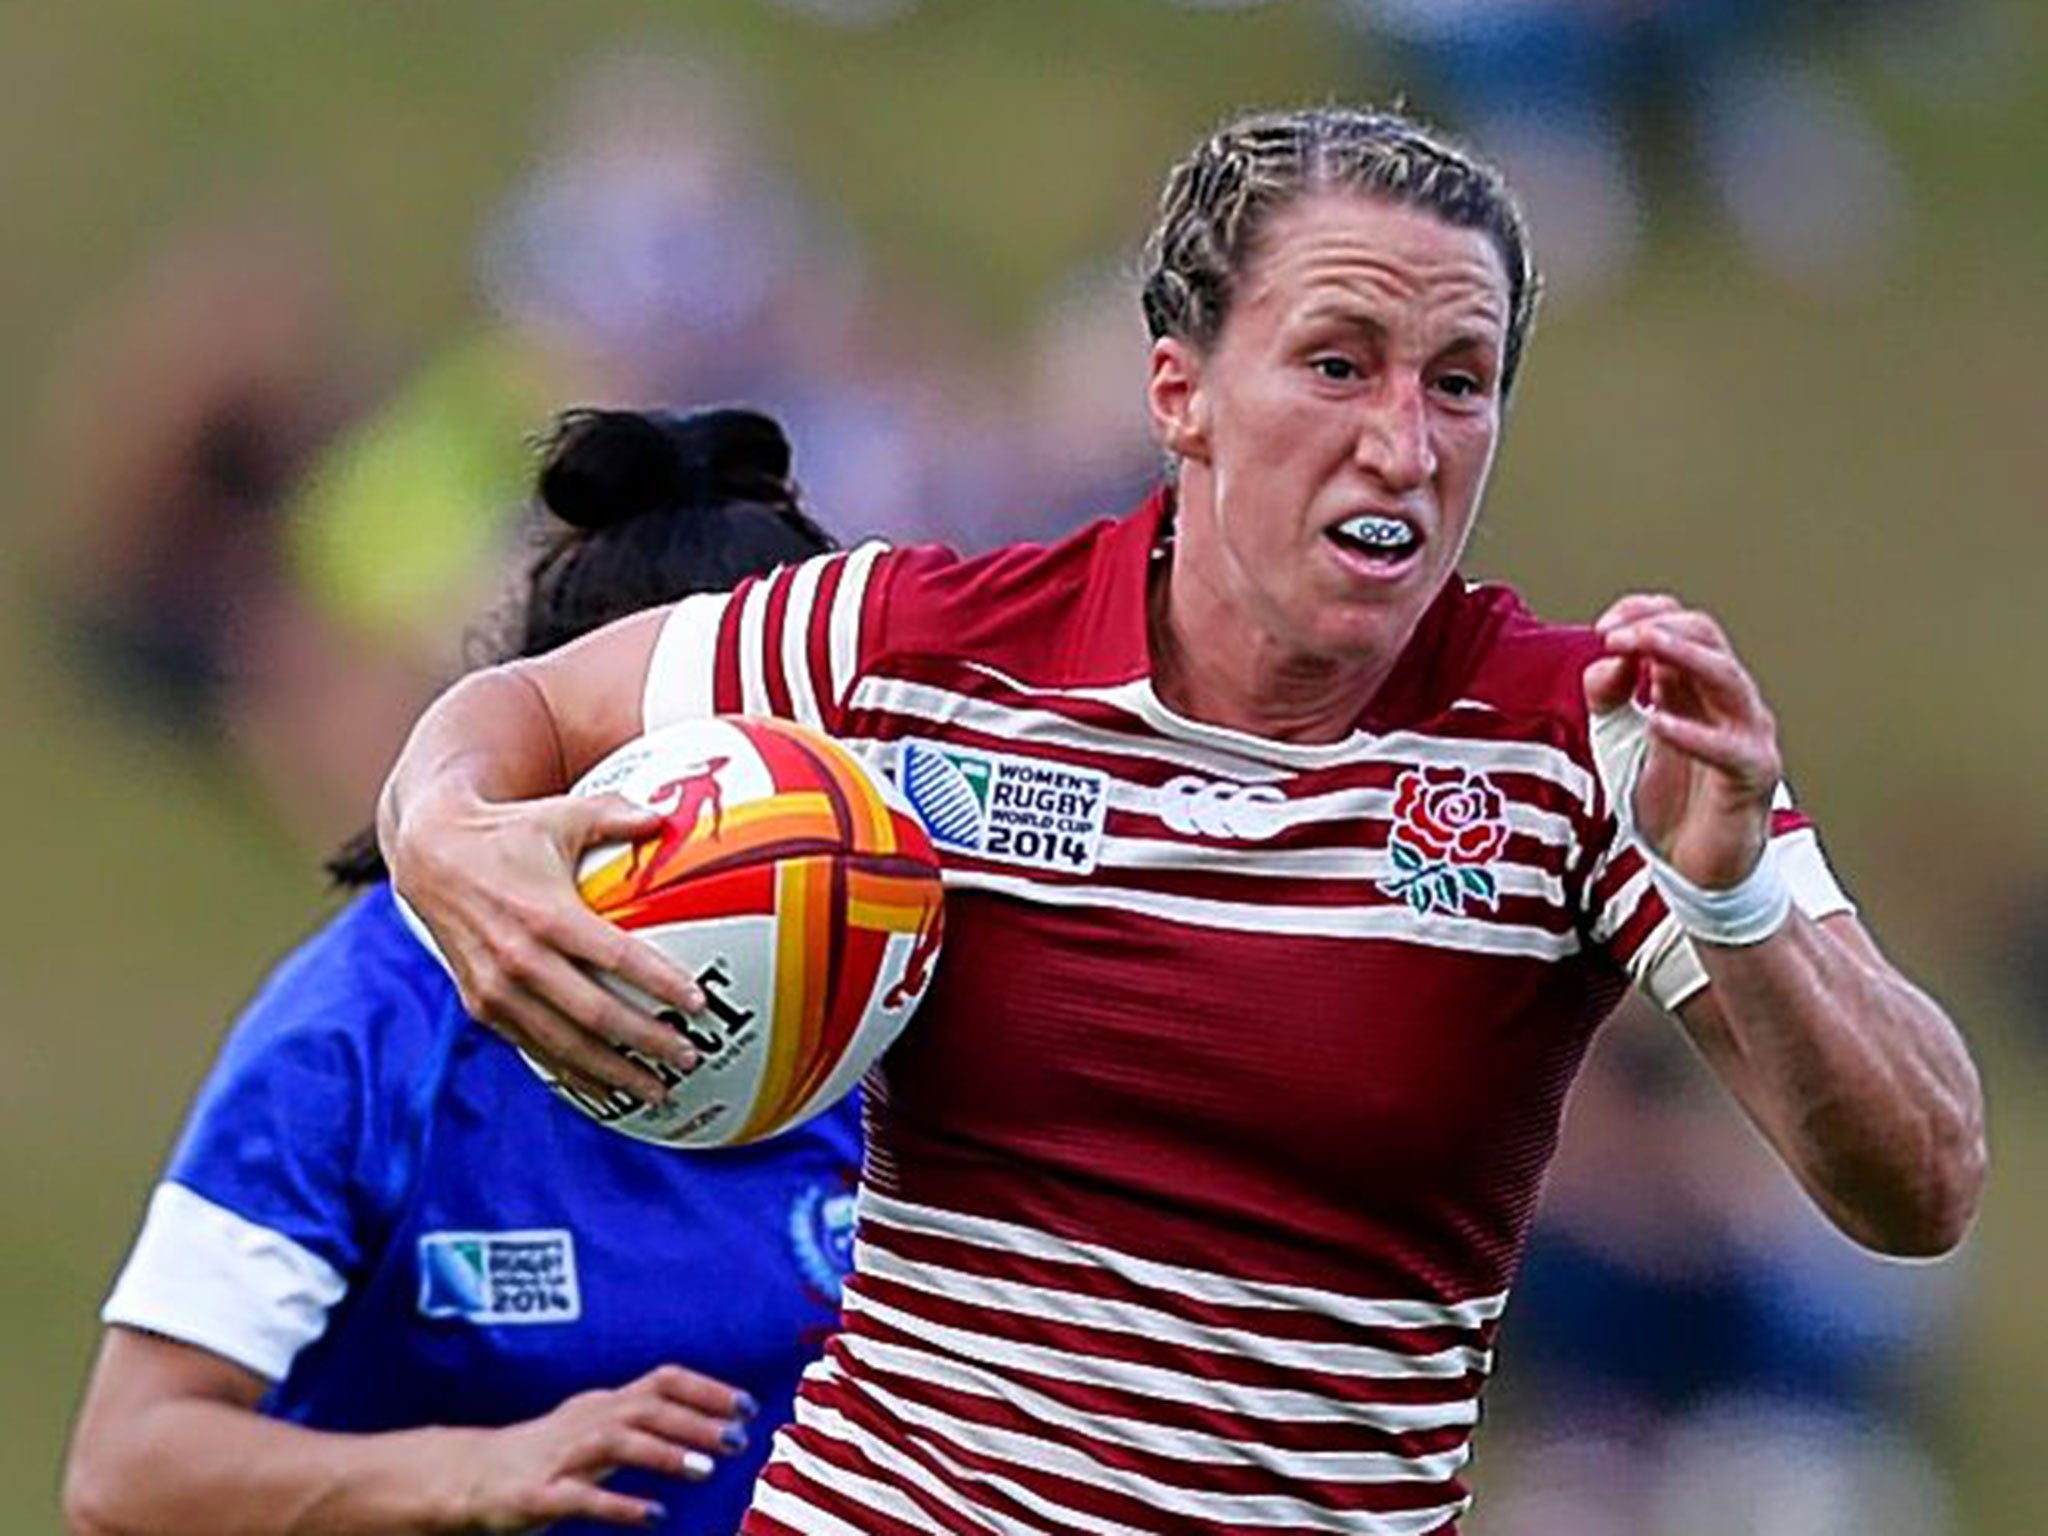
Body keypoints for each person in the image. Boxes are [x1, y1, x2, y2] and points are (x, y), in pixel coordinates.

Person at [375, 106, 1987, 1535]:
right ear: (1182, 390)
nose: (1404, 444)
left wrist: (1733, 908)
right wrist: (448, 843)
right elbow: (518, 711)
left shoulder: (1597, 739)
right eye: (1339, 362)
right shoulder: (925, 648)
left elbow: (1923, 1184)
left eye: (1463, 383)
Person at [64, 408, 862, 1536]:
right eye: (699, 789)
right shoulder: (370, 1024)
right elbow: (129, 1467)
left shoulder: (917, 996)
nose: (744, 838)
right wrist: (476, 1473)